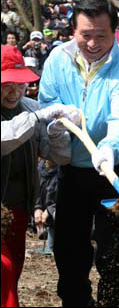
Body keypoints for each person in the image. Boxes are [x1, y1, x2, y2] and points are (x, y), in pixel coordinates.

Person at [38, 0, 119, 307]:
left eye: (102, 35)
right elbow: (47, 105)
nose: (93, 43)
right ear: (73, 30)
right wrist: (57, 126)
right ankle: (75, 300)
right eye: (85, 35)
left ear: (115, 32)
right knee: (69, 246)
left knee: (111, 251)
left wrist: (110, 148)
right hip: (72, 165)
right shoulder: (57, 59)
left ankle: (112, 301)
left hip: (114, 167)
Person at [1, 44, 76, 307]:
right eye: (7, 84)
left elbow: (58, 157)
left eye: (19, 84)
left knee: (14, 271)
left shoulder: (29, 107)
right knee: (4, 271)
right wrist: (38, 117)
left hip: (18, 207)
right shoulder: (32, 114)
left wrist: (56, 132)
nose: (15, 91)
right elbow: (5, 137)